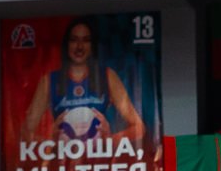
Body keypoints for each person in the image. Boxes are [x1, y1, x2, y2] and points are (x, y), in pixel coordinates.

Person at [27, 18, 146, 148]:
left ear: (92, 45)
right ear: (66, 44)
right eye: (74, 40)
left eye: (86, 40)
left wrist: (110, 139)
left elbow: (139, 128)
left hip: (98, 158)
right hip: (63, 158)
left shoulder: (107, 76)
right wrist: (50, 140)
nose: (79, 46)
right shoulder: (49, 81)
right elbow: (25, 133)